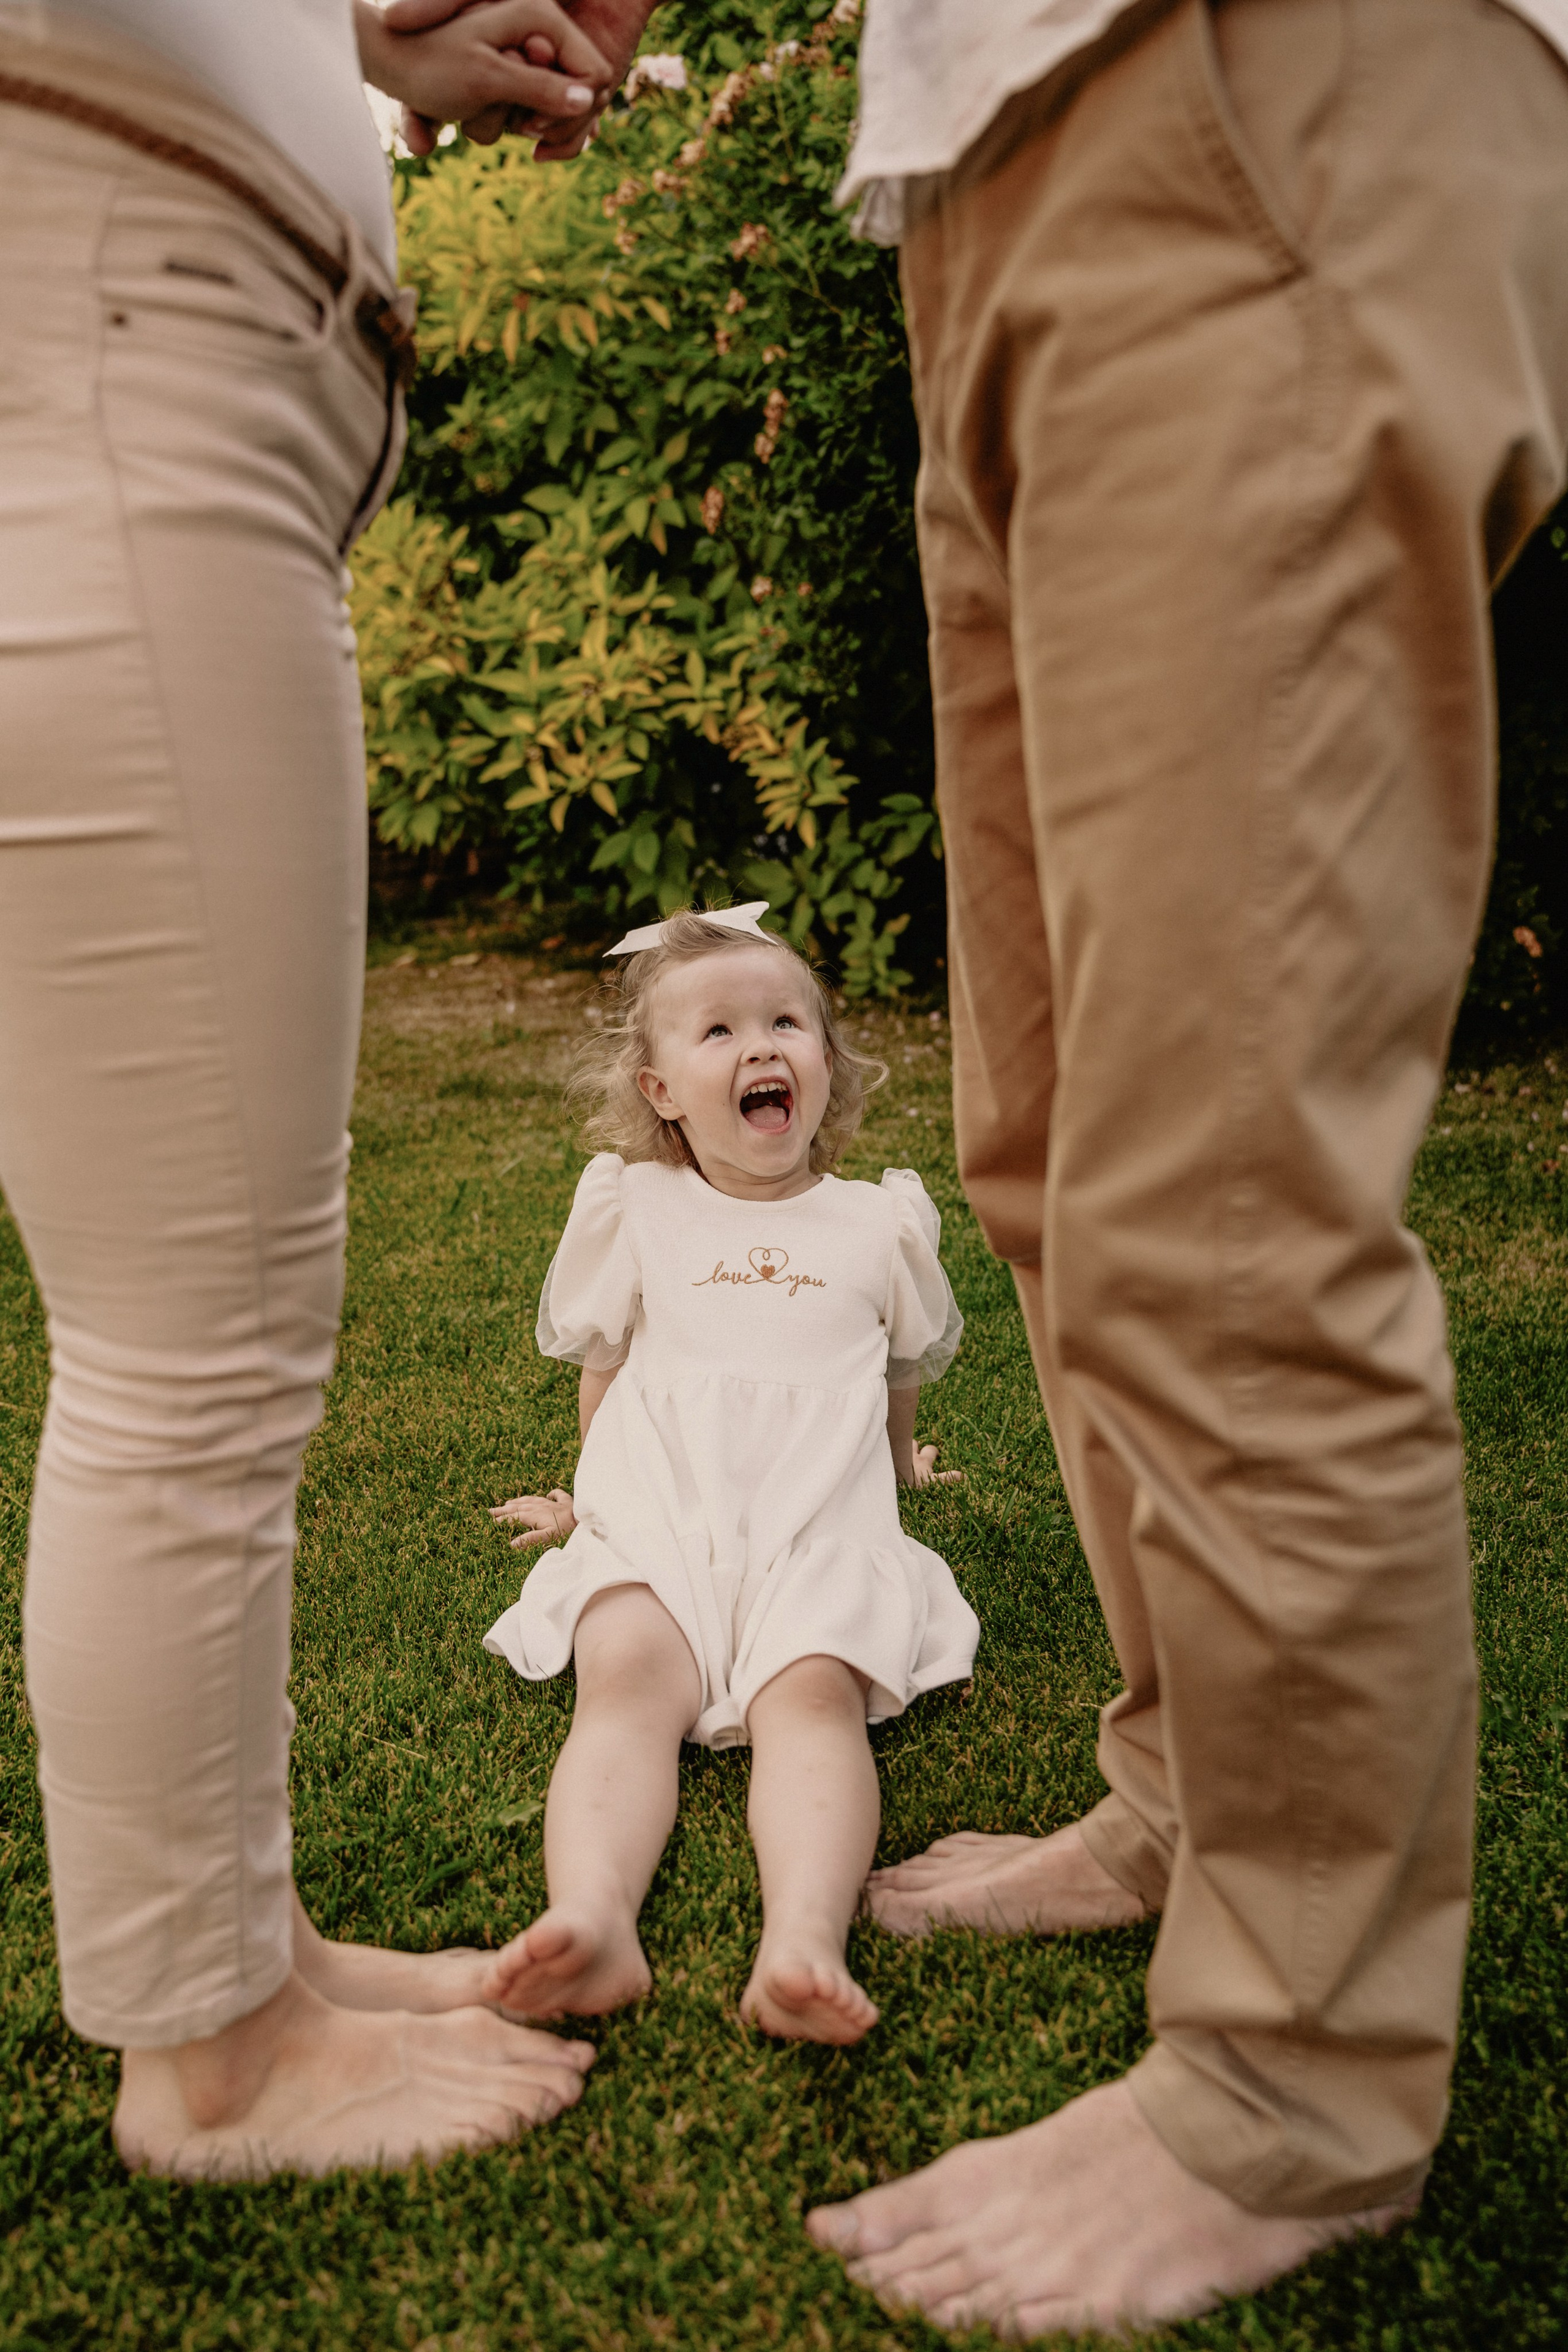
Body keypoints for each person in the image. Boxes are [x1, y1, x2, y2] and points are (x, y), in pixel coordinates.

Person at [799, 0, 1568, 2335]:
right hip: (987, 152)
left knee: (1218, 1201)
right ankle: (1185, 1795)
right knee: (1052, 1155)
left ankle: (1298, 2080)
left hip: (1271, 67)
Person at [0, 0, 629, 2182]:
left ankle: (237, 1944)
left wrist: (369, 33)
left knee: (225, 1314)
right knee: (190, 1337)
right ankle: (210, 2060)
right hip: (103, 351)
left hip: (164, 369)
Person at [480, 905, 978, 2045]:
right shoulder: (637, 1208)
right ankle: (593, 1916)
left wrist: (902, 1465)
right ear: (660, 1090)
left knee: (813, 1707)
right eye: (719, 1032)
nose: (762, 1047)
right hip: (661, 1521)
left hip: (817, 1535)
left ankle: (803, 1939)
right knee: (623, 1693)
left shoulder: (876, 1222)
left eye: (786, 1022)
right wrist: (581, 1502)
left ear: (823, 1059)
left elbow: (899, 1370)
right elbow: (606, 1375)